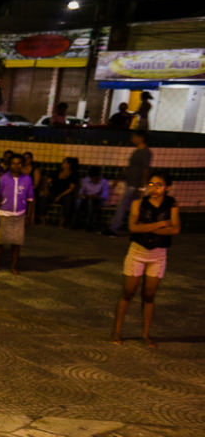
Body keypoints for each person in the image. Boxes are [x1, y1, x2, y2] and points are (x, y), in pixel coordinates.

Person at [112, 172, 180, 347]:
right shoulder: (138, 203)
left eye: (158, 185)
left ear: (166, 187)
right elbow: (133, 227)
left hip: (158, 254)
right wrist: (159, 225)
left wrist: (147, 228)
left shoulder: (171, 204)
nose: (154, 188)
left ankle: (145, 334)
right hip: (137, 251)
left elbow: (175, 229)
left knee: (149, 295)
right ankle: (117, 331)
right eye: (150, 184)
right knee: (128, 291)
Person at [0, 153, 34, 274]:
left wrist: (29, 215)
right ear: (9, 165)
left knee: (16, 243)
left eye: (19, 163)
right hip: (4, 213)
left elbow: (30, 199)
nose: (16, 166)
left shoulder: (27, 179)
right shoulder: (3, 178)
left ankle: (13, 266)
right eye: (13, 163)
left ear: (23, 165)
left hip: (19, 214)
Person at [106, 131, 151, 236]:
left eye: (134, 137)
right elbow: (130, 168)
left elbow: (145, 170)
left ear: (141, 138)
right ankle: (136, 228)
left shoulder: (145, 152)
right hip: (132, 183)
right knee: (133, 207)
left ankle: (114, 228)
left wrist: (143, 187)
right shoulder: (138, 151)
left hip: (134, 184)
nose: (132, 139)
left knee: (123, 206)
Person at [77, 165, 110, 231]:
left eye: (96, 178)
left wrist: (96, 197)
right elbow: (80, 193)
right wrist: (85, 196)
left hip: (97, 200)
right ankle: (75, 222)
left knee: (91, 202)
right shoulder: (85, 180)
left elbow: (105, 196)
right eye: (93, 178)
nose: (94, 180)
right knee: (78, 201)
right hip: (86, 198)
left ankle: (89, 225)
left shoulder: (104, 182)